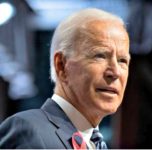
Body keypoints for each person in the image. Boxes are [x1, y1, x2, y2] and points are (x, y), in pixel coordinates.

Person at [0, 8, 130, 149]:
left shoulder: (96, 144)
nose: (116, 72)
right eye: (99, 56)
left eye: (122, 60)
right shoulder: (30, 130)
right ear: (61, 65)